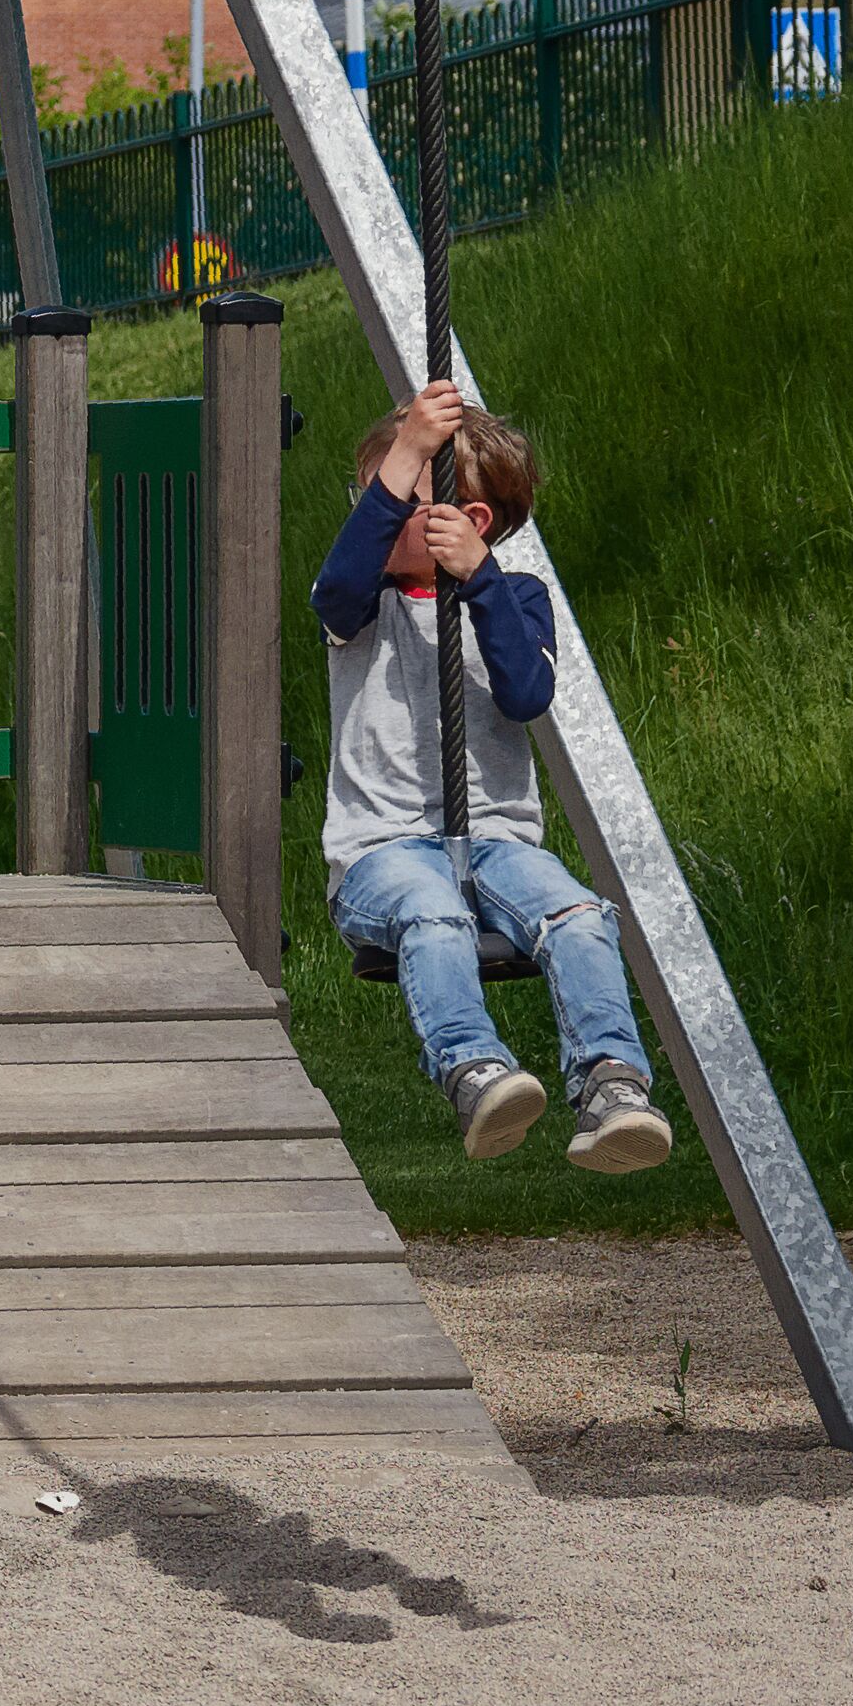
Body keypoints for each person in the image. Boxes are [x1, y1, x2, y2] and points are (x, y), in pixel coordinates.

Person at [316, 378, 671, 1172]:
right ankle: (476, 1072)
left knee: (580, 912)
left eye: (394, 490)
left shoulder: (518, 598)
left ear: (467, 520)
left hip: (499, 846)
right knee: (432, 911)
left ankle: (612, 1082)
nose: (371, 505)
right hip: (385, 853)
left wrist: (477, 580)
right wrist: (410, 446)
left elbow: (525, 691)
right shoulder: (359, 606)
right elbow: (336, 585)